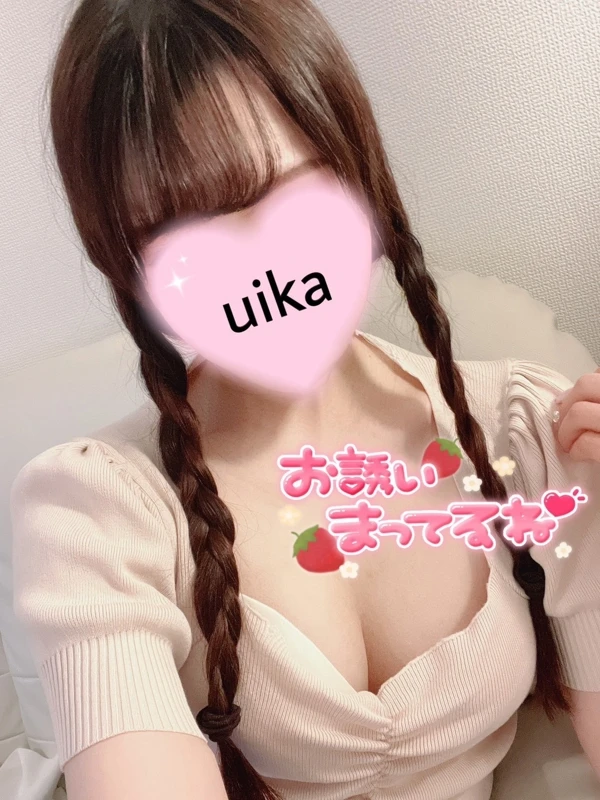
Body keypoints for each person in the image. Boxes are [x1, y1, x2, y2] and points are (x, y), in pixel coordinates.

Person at [9, 1, 600, 799]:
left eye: (285, 194)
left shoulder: (532, 430)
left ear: (357, 170)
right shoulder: (96, 508)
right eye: (182, 228)